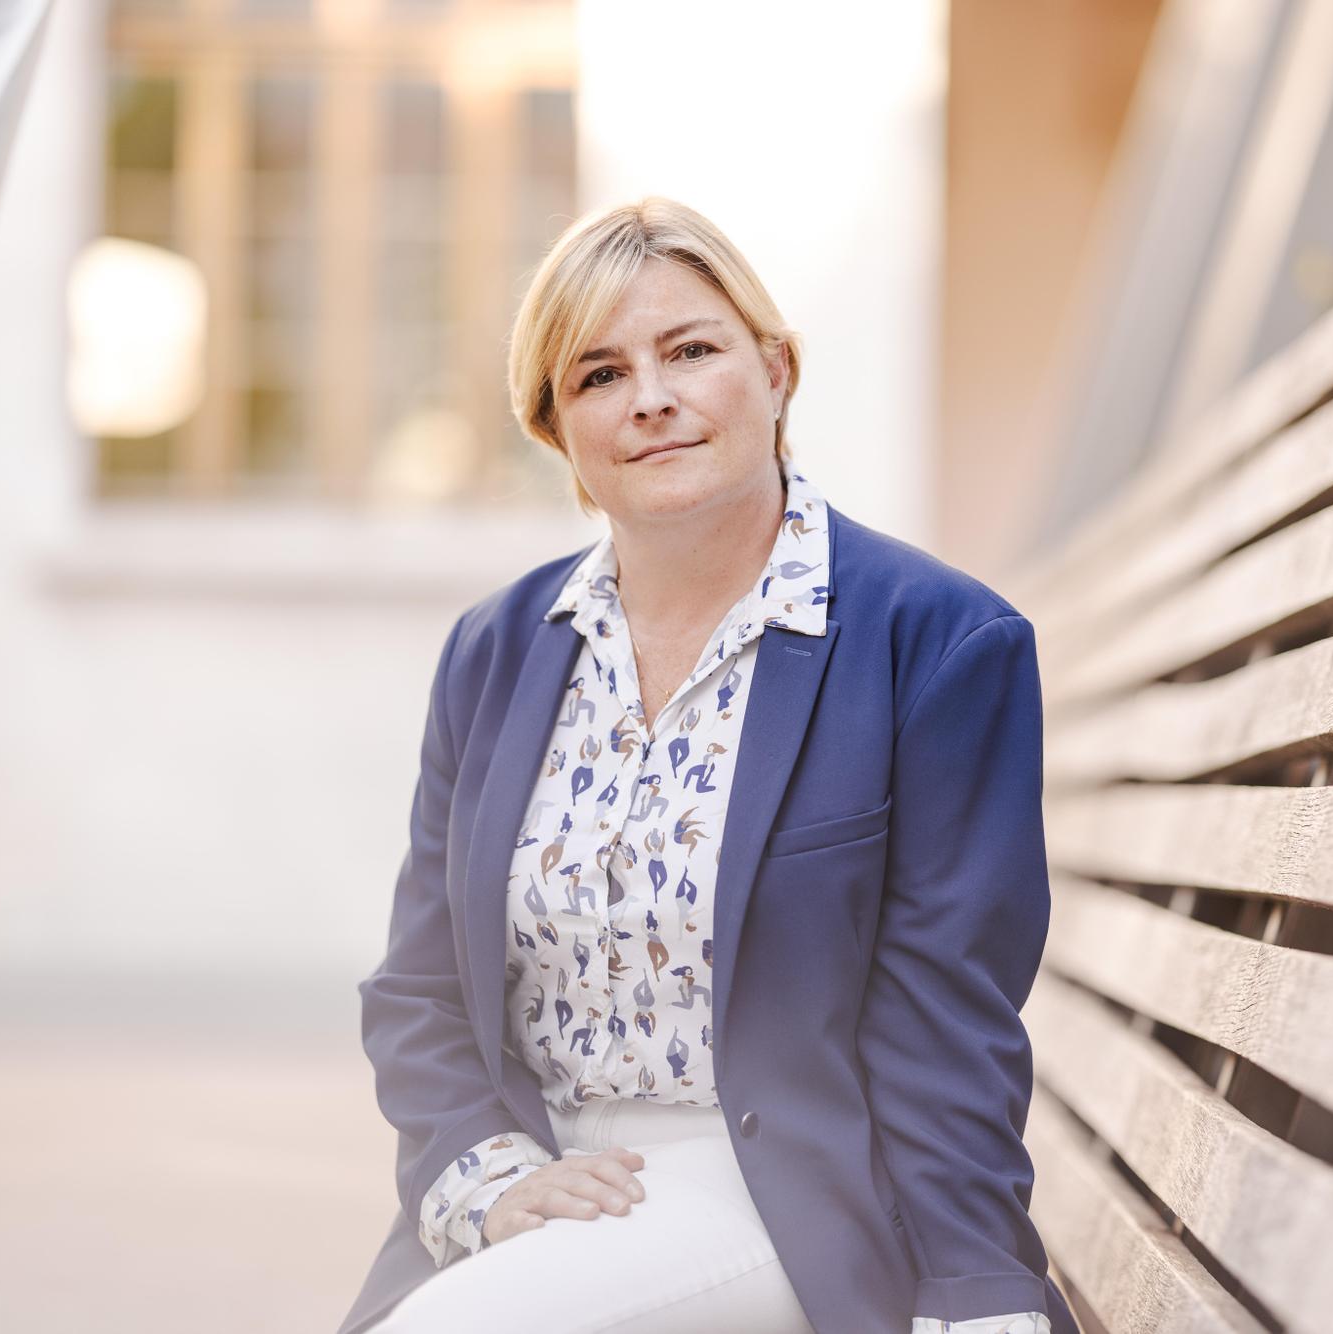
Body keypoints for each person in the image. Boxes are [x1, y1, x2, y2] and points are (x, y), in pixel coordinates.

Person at [336, 197, 1074, 1334]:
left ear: (774, 370)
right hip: (534, 1191)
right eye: (597, 374)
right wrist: (485, 1181)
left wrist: (977, 1297)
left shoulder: (932, 642)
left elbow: (947, 1020)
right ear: (556, 429)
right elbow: (420, 989)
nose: (651, 398)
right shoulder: (494, 652)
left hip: (782, 1191)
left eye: (690, 350)